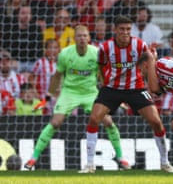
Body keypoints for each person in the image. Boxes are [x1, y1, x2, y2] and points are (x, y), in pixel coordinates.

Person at [24, 25, 128, 171]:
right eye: (79, 36)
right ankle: (33, 158)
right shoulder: (65, 54)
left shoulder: (97, 54)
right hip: (69, 93)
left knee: (108, 122)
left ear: (89, 38)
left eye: (85, 36)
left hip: (90, 93)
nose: (82, 39)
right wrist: (48, 96)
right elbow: (57, 76)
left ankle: (121, 158)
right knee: (55, 122)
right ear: (74, 39)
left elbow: (104, 77)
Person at [82, 16, 173, 173]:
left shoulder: (139, 45)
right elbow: (101, 67)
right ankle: (90, 164)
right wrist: (105, 83)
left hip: (136, 88)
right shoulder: (106, 48)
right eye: (122, 29)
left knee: (156, 121)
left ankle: (165, 162)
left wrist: (149, 82)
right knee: (93, 118)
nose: (125, 32)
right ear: (115, 30)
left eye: (128, 29)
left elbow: (148, 65)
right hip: (111, 89)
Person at [1, 5, 43, 73]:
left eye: (29, 13)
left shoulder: (36, 29)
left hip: (32, 63)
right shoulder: (10, 29)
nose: (26, 16)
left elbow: (39, 51)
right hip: (15, 63)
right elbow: (4, 49)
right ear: (18, 15)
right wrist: (10, 60)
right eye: (23, 13)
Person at [31, 39, 59, 114]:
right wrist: (35, 92)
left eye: (55, 48)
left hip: (56, 98)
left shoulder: (60, 64)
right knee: (38, 113)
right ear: (45, 50)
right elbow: (32, 78)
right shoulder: (40, 62)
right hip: (41, 97)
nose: (53, 50)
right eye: (50, 48)